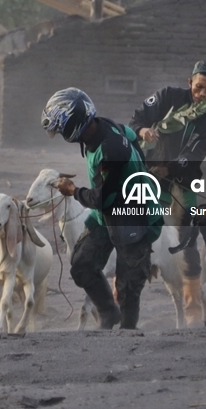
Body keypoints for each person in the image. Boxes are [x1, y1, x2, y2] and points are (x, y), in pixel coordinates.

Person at [42, 88, 163, 329]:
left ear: (73, 124)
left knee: (128, 286)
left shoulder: (111, 149)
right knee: (82, 265)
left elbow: (102, 198)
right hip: (107, 215)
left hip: (134, 217)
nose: (61, 134)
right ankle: (109, 313)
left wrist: (73, 191)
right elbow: (132, 135)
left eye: (61, 128)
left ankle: (128, 332)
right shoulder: (107, 127)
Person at [129, 60, 206, 325]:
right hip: (147, 177)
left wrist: (168, 169)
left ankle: (193, 306)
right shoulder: (166, 97)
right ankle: (121, 300)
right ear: (189, 82)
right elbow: (136, 119)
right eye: (199, 87)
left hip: (182, 183)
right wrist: (143, 131)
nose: (203, 94)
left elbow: (194, 155)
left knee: (186, 239)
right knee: (131, 233)